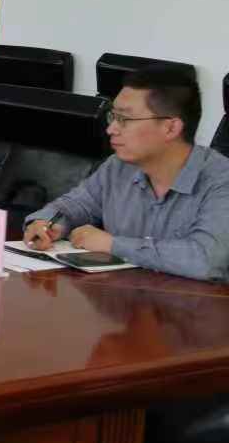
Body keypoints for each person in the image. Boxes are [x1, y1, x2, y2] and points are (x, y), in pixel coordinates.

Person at [24, 64, 229, 282]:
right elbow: (74, 206)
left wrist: (112, 244)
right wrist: (46, 223)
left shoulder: (221, 180)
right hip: (126, 297)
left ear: (170, 128)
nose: (111, 129)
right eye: (113, 117)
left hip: (197, 302)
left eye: (124, 119)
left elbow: (207, 261)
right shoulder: (118, 167)